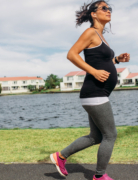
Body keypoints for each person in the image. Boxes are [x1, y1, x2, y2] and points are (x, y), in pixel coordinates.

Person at [50, 1, 130, 179]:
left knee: (96, 136)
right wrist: (92, 71)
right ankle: (100, 176)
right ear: (94, 14)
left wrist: (117, 60)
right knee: (110, 135)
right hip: (94, 93)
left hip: (96, 94)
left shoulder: (100, 36)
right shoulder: (90, 32)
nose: (108, 11)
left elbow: (101, 62)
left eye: (109, 8)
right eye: (104, 8)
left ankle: (60, 156)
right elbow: (71, 54)